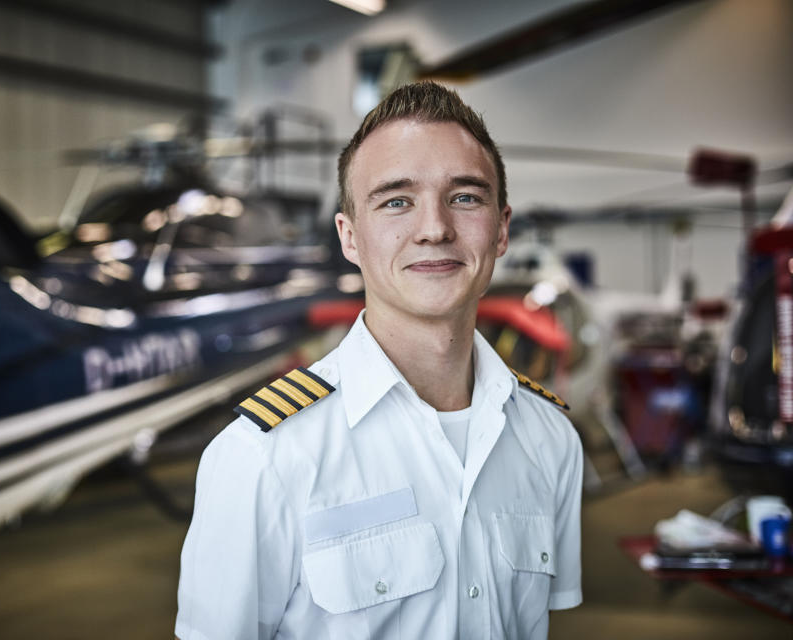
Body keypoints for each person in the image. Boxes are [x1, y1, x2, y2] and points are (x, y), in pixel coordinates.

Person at [175, 81, 583, 640]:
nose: (434, 228)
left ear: (502, 229)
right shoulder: (263, 457)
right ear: (350, 238)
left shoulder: (551, 437)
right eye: (396, 201)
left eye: (465, 197)